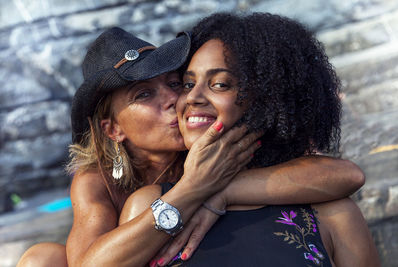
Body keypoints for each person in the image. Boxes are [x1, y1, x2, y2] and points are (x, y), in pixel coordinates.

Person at [17, 26, 364, 267]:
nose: (175, 100)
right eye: (144, 94)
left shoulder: (211, 142)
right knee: (42, 258)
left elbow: (342, 174)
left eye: (174, 83)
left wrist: (220, 189)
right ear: (112, 128)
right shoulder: (98, 180)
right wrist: (193, 189)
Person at [120, 13, 380, 267]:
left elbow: (350, 175)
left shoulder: (334, 215)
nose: (193, 98)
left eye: (220, 84)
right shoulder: (147, 206)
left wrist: (220, 191)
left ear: (269, 99)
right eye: (188, 84)